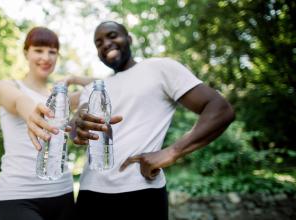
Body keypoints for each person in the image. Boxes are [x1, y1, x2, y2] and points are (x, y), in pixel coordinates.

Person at [72, 21, 235, 220]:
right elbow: (76, 125)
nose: (105, 43)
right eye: (98, 43)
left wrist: (173, 151)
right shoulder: (94, 89)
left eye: (112, 36)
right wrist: (78, 126)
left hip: (142, 193)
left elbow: (220, 109)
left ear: (129, 39)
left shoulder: (159, 68)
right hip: (91, 194)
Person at [0, 26, 93, 220]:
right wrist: (32, 114)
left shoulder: (61, 98)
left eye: (52, 52)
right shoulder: (8, 86)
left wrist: (74, 78)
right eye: (38, 50)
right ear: (26, 53)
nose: (46, 57)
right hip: (18, 196)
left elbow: (106, 85)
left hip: (62, 193)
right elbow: (18, 101)